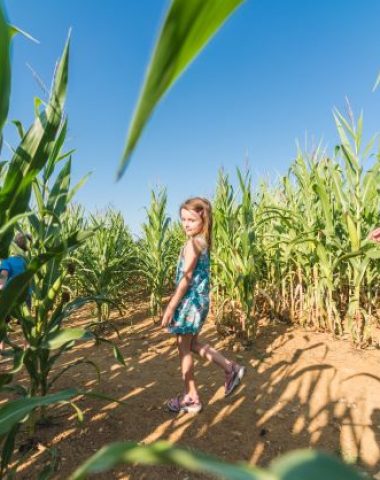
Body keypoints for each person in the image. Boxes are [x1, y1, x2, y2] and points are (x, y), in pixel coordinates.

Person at [161, 197, 245, 414]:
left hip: (189, 302)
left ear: (203, 220)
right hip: (199, 302)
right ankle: (230, 368)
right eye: (183, 219)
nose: (186, 224)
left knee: (183, 348)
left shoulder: (193, 244)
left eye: (191, 219)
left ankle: (191, 397)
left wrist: (171, 307)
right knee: (192, 344)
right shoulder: (202, 243)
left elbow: (186, 278)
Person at [0, 232, 32, 350]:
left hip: (8, 297)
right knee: (26, 325)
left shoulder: (7, 260)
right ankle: (27, 351)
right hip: (25, 296)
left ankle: (0, 352)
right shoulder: (28, 261)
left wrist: (1, 286)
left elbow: (3, 275)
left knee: (3, 324)